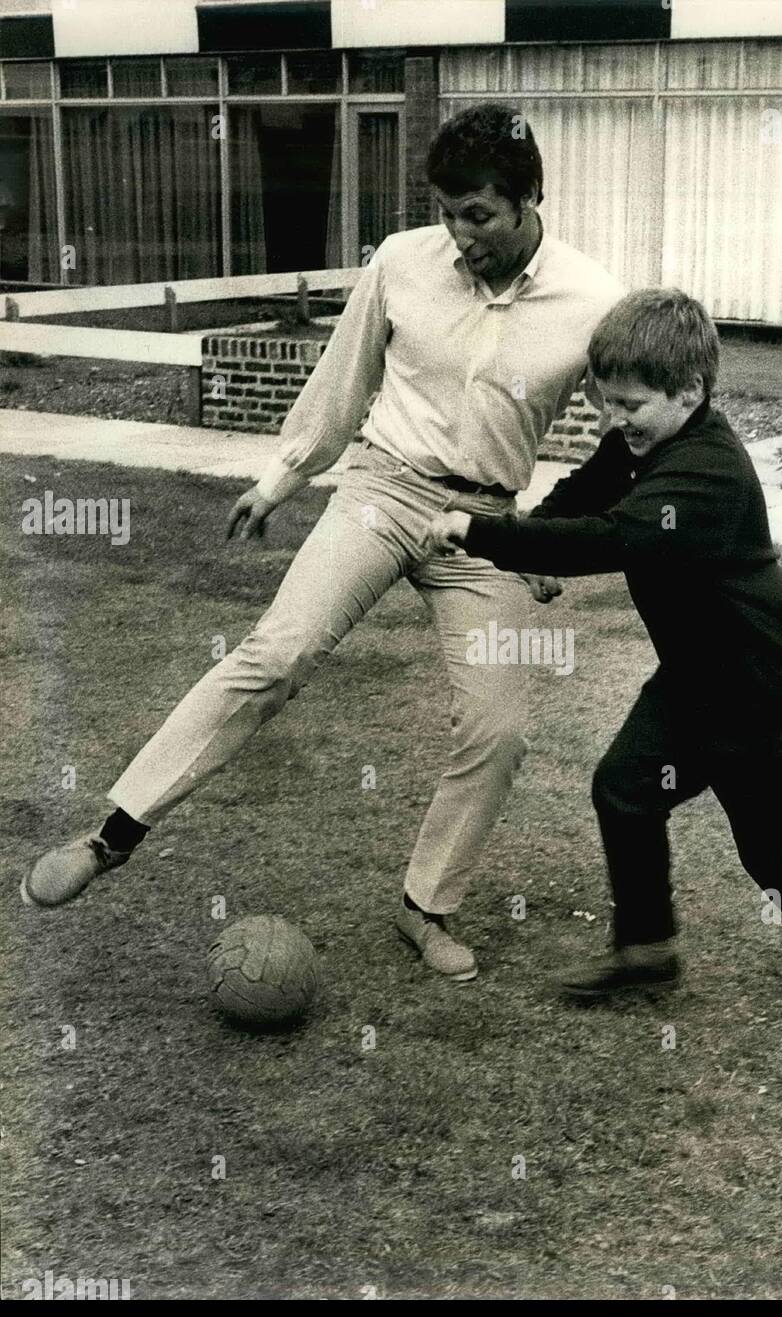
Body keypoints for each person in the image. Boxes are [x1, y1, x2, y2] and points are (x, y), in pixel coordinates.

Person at [20, 104, 625, 984]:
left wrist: (547, 540)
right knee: (277, 651)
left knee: (499, 729)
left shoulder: (593, 301)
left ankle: (424, 907)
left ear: (531, 199)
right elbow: (344, 381)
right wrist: (283, 477)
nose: (459, 236)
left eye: (480, 216)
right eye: (447, 213)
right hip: (382, 489)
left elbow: (623, 435)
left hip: (486, 525)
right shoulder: (401, 262)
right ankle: (113, 834)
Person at [426, 288, 782, 1016]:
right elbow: (584, 499)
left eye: (629, 404)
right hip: (697, 681)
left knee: (778, 852)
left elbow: (615, 538)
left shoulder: (707, 470)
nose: (611, 419)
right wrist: (533, 545)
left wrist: (481, 531)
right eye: (604, 401)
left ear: (689, 391)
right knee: (624, 789)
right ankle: (646, 951)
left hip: (775, 690)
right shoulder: (637, 442)